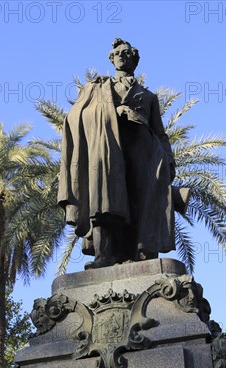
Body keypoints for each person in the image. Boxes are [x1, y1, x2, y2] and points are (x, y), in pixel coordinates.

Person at [58, 38, 177, 269]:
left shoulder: (148, 96)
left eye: (127, 52)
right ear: (111, 59)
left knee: (140, 200)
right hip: (108, 146)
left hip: (143, 149)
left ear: (135, 59)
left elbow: (160, 132)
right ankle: (104, 255)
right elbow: (75, 115)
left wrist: (169, 159)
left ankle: (141, 252)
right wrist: (109, 110)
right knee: (103, 199)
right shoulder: (97, 88)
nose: (122, 55)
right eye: (117, 53)